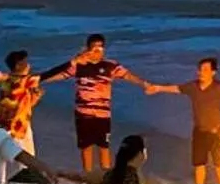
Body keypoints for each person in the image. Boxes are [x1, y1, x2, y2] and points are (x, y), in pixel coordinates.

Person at [141, 57, 220, 184]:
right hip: (199, 130)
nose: (200, 72)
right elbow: (176, 89)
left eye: (204, 69)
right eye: (200, 69)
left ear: (213, 72)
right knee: (199, 163)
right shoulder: (192, 86)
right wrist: (158, 88)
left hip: (218, 130)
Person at [39, 34, 147, 169]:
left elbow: (128, 76)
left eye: (101, 48)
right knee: (86, 147)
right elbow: (60, 75)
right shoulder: (79, 65)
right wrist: (38, 81)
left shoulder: (110, 65)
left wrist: (144, 84)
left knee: (103, 146)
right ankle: (88, 175)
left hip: (103, 115)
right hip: (83, 114)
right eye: (94, 48)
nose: (98, 51)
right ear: (88, 49)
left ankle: (106, 174)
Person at [0, 49, 43, 153]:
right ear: (17, 66)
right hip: (19, 125)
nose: (28, 65)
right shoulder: (25, 81)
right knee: (25, 155)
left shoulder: (6, 82)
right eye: (25, 62)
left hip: (5, 123)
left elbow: (18, 103)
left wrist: (34, 96)